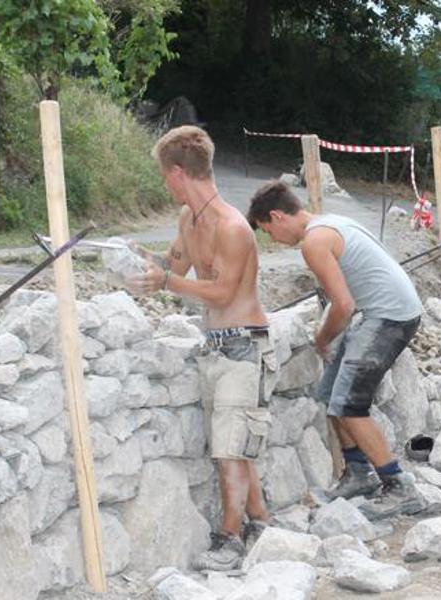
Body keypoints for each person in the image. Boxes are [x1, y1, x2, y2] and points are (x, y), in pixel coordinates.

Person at [130, 125, 274, 570]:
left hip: (244, 348)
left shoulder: (232, 227)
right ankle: (261, 526)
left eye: (163, 175)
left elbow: (224, 292)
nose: (163, 183)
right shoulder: (187, 221)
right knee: (232, 444)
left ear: (178, 173)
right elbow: (171, 266)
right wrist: (134, 260)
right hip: (214, 345)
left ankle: (229, 540)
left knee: (229, 450)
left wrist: (168, 281)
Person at [246, 181, 426, 520]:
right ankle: (358, 473)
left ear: (276, 216)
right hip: (385, 312)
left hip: (391, 317)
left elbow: (343, 305)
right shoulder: (330, 222)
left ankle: (399, 487)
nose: (272, 239)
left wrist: (322, 338)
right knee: (331, 393)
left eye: (267, 230)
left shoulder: (314, 242)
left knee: (349, 405)